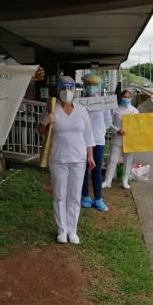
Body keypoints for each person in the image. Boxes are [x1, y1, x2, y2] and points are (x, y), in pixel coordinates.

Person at [37, 76, 96, 244]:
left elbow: (88, 135)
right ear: (58, 90)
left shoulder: (82, 110)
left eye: (70, 88)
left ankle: (72, 230)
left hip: (79, 158)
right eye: (63, 88)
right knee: (60, 195)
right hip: (58, 158)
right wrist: (45, 120)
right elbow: (40, 131)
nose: (67, 91)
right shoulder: (52, 108)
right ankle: (62, 230)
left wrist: (90, 156)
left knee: (75, 196)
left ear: (74, 90)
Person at [80, 73, 112, 211]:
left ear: (98, 87)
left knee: (97, 170)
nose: (91, 88)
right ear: (84, 86)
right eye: (88, 85)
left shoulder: (103, 102)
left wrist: (98, 131)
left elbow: (108, 121)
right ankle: (85, 196)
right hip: (81, 141)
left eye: (94, 85)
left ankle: (98, 198)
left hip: (98, 140)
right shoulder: (78, 102)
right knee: (83, 169)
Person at [102, 90, 139, 189]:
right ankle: (107, 181)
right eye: (124, 97)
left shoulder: (135, 111)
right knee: (113, 160)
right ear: (121, 97)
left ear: (131, 98)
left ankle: (125, 181)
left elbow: (139, 126)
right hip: (117, 139)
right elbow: (109, 123)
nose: (126, 99)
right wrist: (117, 130)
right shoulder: (115, 109)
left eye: (128, 97)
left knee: (128, 161)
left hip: (130, 140)